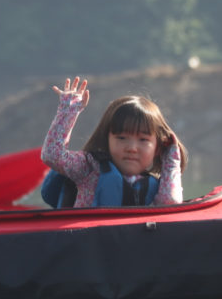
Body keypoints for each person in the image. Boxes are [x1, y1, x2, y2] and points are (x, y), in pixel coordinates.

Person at [41, 77, 187, 208]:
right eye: (122, 138)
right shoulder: (89, 167)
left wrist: (170, 157)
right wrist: (68, 111)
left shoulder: (159, 187)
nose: (132, 148)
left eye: (143, 140)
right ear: (107, 140)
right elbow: (52, 155)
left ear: (157, 148)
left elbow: (171, 202)